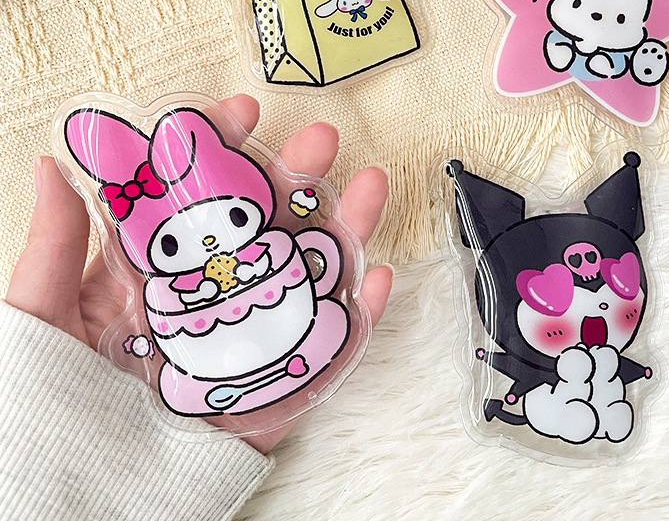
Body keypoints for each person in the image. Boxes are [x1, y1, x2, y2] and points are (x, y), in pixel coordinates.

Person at [0, 95, 393, 521]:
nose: (209, 244)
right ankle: (221, 384)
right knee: (183, 381)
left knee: (324, 318)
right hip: (207, 378)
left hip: (296, 331)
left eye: (237, 218)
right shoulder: (162, 293)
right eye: (169, 245)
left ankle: (301, 348)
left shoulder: (272, 247)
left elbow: (314, 252)